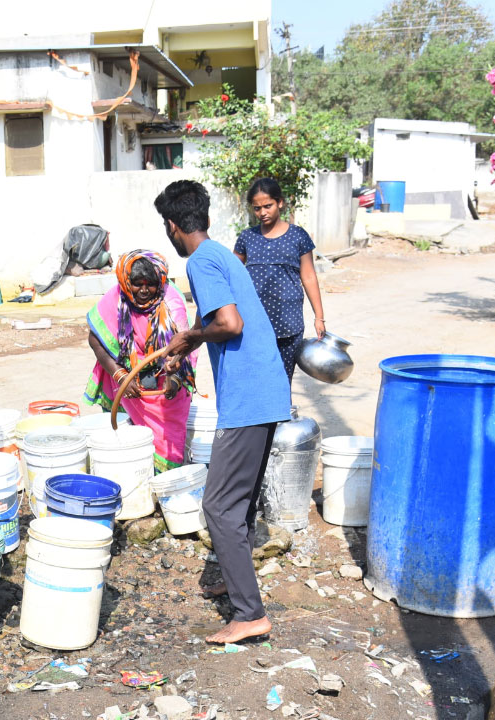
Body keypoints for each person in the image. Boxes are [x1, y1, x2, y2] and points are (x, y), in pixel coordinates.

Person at [156, 180, 290, 645]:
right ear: (206, 218)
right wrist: (187, 342)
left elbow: (229, 323)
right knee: (241, 500)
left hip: (248, 396)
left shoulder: (199, 261)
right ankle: (236, 583)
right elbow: (215, 317)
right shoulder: (221, 253)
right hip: (266, 389)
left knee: (218, 505)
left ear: (172, 226)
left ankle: (249, 614)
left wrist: (194, 336)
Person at [84, 250, 197, 472]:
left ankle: (166, 481)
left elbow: (185, 345)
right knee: (130, 441)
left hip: (167, 378)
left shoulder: (171, 302)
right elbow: (95, 339)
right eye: (137, 284)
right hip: (128, 380)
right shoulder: (115, 299)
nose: (144, 290)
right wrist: (121, 376)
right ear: (127, 283)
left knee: (170, 437)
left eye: (150, 285)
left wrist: (174, 378)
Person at [233, 177, 326, 383]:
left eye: (268, 206)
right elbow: (232, 273)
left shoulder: (298, 236)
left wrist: (319, 317)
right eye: (257, 208)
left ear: (280, 203)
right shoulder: (247, 237)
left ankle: (283, 405)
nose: (262, 212)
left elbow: (309, 276)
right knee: (257, 380)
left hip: (288, 323)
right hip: (253, 323)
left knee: (283, 380)